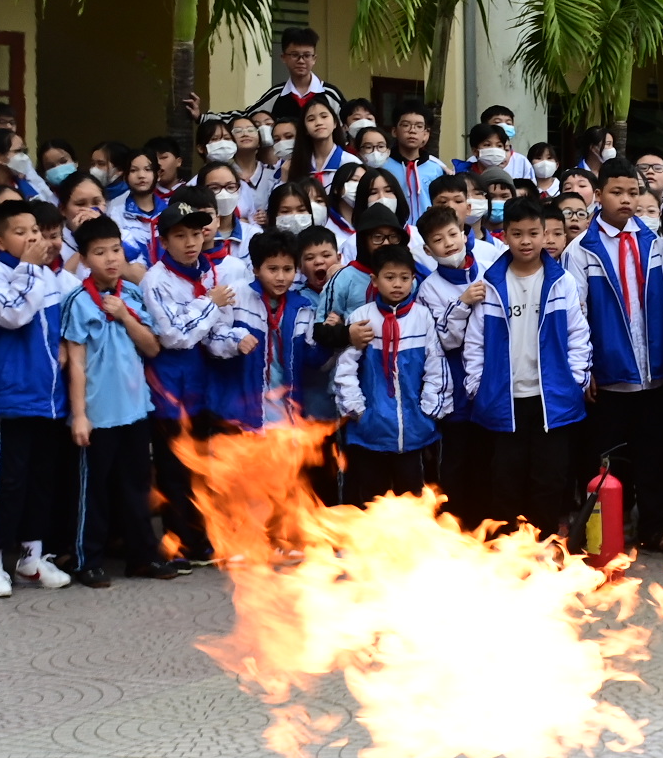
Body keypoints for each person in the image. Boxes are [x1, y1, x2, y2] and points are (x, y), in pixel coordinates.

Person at [0, 199, 80, 598]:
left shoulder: (50, 276)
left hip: (48, 396)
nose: (32, 238)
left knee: (40, 479)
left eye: (36, 231)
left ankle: (33, 556)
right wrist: (31, 268)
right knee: (6, 480)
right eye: (21, 232)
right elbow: (12, 315)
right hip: (11, 395)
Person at [465, 198, 589, 537]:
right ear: (504, 235)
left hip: (552, 398)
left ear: (545, 234)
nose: (526, 241)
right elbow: (475, 342)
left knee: (549, 478)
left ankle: (545, 544)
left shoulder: (561, 281)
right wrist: (478, 385)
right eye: (517, 233)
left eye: (534, 233)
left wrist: (575, 380)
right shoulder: (491, 284)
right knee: (505, 477)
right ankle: (507, 550)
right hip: (504, 400)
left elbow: (579, 334)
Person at [61, 215, 174, 588]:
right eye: (99, 252)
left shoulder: (134, 294)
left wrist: (125, 315)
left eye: (115, 250)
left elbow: (153, 347)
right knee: (92, 490)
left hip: (135, 408)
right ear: (85, 258)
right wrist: (79, 415)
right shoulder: (77, 300)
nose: (110, 258)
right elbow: (75, 362)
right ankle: (87, 559)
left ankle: (142, 557)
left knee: (137, 486)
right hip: (97, 412)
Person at [569, 159, 663, 549]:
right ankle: (605, 531)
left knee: (653, 458)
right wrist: (585, 370)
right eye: (617, 192)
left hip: (652, 372)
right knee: (605, 460)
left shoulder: (653, 242)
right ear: (598, 195)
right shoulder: (583, 250)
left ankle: (651, 529)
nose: (626, 200)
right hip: (608, 374)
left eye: (633, 192)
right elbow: (576, 315)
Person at [141, 201, 249, 566]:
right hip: (169, 390)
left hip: (203, 387)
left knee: (202, 469)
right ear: (164, 239)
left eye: (197, 234)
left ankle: (203, 540)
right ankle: (180, 544)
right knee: (174, 472)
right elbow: (174, 335)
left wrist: (235, 340)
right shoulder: (156, 279)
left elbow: (215, 331)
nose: (191, 242)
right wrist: (208, 304)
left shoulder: (209, 272)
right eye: (180, 235)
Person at [332, 245, 451, 505]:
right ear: (375, 280)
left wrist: (428, 411)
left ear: (413, 280)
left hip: (415, 433)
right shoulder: (362, 318)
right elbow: (346, 370)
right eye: (389, 277)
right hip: (369, 433)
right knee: (373, 502)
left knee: (415, 502)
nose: (397, 284)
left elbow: (436, 366)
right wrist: (358, 411)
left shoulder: (422, 318)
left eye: (404, 278)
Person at [414, 205, 492, 527]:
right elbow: (443, 341)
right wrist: (462, 304)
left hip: (492, 380)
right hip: (456, 388)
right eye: (438, 240)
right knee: (457, 460)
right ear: (427, 249)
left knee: (489, 457)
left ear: (464, 233)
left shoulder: (487, 267)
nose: (448, 243)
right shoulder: (429, 288)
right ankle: (456, 526)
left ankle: (488, 524)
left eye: (452, 234)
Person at [220, 229, 314, 432]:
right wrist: (236, 339)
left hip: (285, 411)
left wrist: (334, 335)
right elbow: (212, 339)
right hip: (241, 409)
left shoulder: (302, 308)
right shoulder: (235, 296)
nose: (281, 277)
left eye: (288, 269)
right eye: (273, 269)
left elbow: (312, 360)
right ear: (255, 269)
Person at [192, 26, 346, 126]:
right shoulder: (275, 95)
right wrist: (202, 117)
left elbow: (350, 121)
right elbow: (245, 117)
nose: (301, 61)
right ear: (283, 58)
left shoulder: (330, 94)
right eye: (294, 55)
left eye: (306, 55)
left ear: (314, 59)